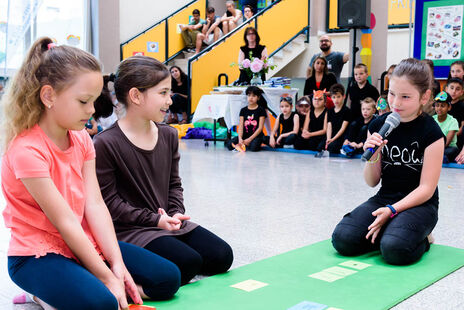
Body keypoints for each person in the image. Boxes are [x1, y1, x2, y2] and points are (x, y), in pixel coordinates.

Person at [1, 37, 180, 310]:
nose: (92, 110)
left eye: (94, 100)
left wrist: (117, 265)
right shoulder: (27, 149)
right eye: (84, 101)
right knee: (102, 304)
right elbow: (64, 221)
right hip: (37, 254)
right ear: (48, 96)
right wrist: (106, 276)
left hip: (83, 242)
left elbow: (95, 204)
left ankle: (79, 286)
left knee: (168, 278)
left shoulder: (82, 139)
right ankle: (39, 294)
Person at [93, 56, 233, 286]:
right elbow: (111, 204)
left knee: (222, 256)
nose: (170, 100)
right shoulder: (105, 144)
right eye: (163, 93)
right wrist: (155, 220)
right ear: (136, 95)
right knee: (188, 264)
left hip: (168, 221)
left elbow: (173, 184)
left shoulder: (168, 135)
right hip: (132, 229)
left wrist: (176, 212)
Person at [332, 58, 445, 265]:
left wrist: (393, 210)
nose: (396, 103)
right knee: (343, 239)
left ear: (424, 96)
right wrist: (373, 155)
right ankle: (391, 230)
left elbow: (427, 189)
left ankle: (423, 239)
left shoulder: (432, 133)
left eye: (405, 97)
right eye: (392, 94)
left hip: (420, 204)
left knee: (395, 250)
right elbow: (371, 181)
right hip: (385, 198)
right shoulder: (378, 125)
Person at [225, 86, 267, 152]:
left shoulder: (261, 110)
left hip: (256, 136)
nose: (251, 98)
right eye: (249, 95)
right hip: (245, 136)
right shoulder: (243, 110)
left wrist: (249, 139)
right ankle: (243, 143)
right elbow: (241, 126)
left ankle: (247, 143)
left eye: (254, 96)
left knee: (253, 148)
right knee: (230, 145)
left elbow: (260, 128)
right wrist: (240, 139)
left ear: (258, 98)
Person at [317, 84, 351, 155]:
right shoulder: (330, 111)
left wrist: (333, 139)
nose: (336, 99)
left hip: (340, 137)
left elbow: (343, 128)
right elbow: (329, 126)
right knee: (320, 147)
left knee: (332, 147)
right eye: (334, 97)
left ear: (343, 96)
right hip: (331, 136)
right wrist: (328, 139)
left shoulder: (346, 111)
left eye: (338, 97)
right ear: (331, 98)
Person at [432, 91, 460, 163]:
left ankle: (439, 157)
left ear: (449, 107)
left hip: (447, 147)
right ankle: (439, 157)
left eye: (443, 106)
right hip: (434, 148)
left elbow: (447, 142)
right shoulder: (432, 119)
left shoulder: (453, 121)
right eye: (437, 105)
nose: (439, 108)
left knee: (452, 151)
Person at [445, 78, 464, 150]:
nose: (454, 91)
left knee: (450, 151)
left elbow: (462, 127)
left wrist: (451, 136)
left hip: (455, 141)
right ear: (446, 89)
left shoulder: (462, 107)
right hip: (442, 138)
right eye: (452, 88)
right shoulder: (442, 105)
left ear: (462, 92)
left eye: (457, 89)